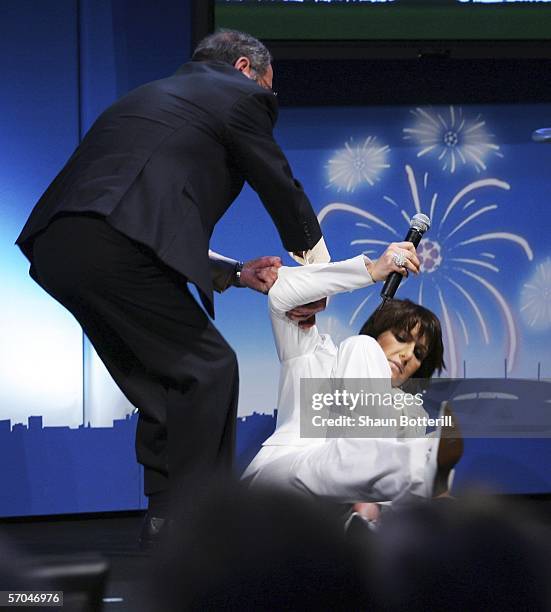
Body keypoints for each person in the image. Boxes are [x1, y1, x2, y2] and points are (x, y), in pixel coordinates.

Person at [15, 29, 329, 546]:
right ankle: (202, 531)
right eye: (270, 88)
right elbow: (278, 183)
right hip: (111, 243)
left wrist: (233, 272)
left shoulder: (149, 97)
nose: (269, 101)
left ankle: (166, 522)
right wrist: (316, 273)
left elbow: (133, 206)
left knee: (169, 385)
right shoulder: (238, 94)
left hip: (59, 247)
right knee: (209, 368)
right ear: (246, 68)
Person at [243, 242, 462, 508]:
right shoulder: (315, 356)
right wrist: (370, 271)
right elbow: (281, 295)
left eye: (418, 353)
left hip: (329, 530)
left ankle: (366, 491)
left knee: (390, 499)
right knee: (362, 347)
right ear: (378, 329)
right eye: (401, 337)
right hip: (275, 494)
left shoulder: (411, 417)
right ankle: (378, 468)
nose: (407, 355)